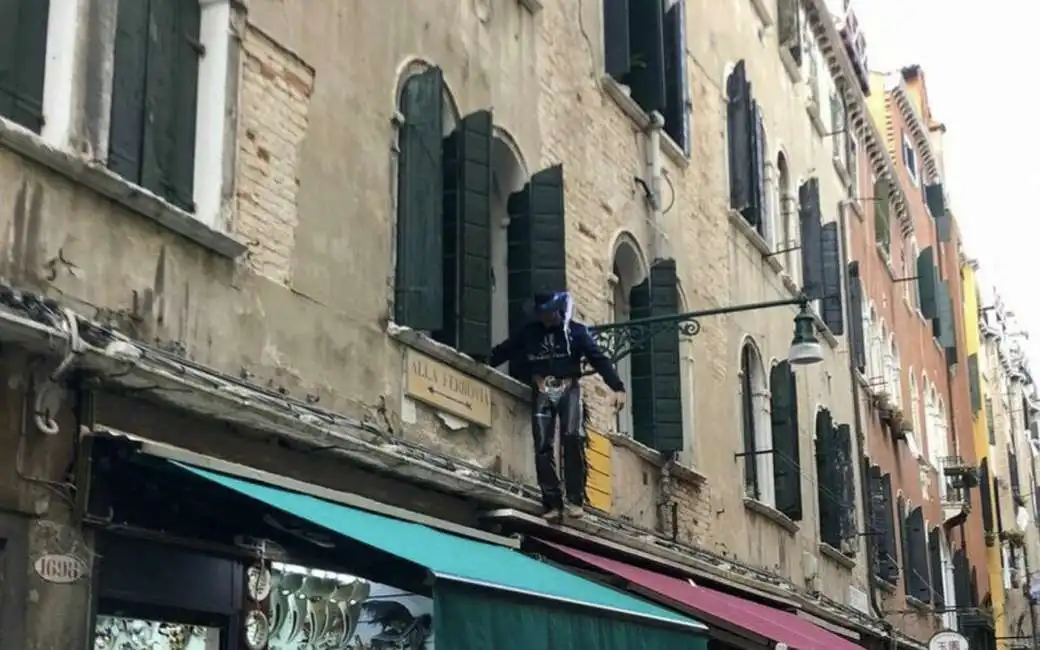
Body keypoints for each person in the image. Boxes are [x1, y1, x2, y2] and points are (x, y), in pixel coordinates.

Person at [488, 291, 626, 521]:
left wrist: (617, 387)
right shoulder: (530, 333)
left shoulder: (576, 333)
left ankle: (574, 499)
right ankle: (552, 501)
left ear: (558, 310)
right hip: (542, 390)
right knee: (542, 444)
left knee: (572, 435)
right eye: (542, 313)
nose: (545, 318)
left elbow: (598, 358)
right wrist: (482, 359)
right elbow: (505, 349)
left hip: (568, 389)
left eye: (549, 312)